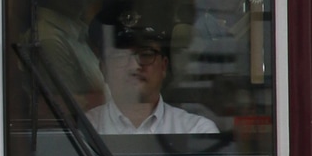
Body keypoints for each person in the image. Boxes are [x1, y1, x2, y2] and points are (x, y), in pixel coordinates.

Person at [88, 25, 218, 137]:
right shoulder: (84, 131)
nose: (134, 66)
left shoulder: (196, 131)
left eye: (146, 54)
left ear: (163, 66)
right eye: (120, 56)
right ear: (103, 69)